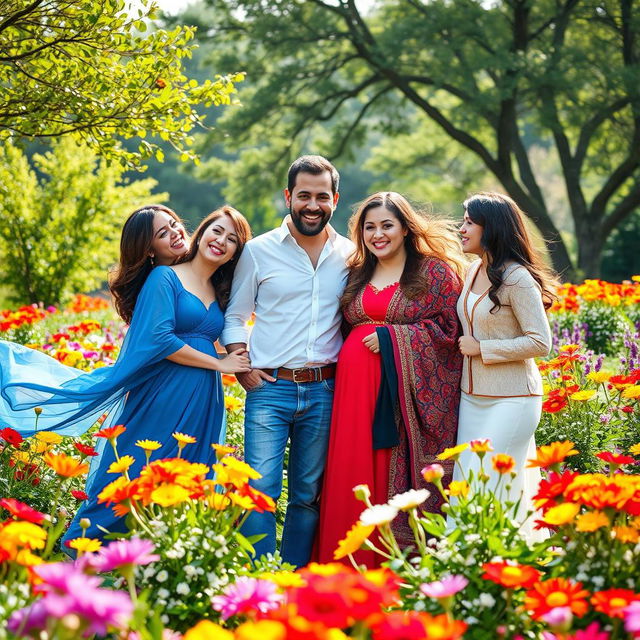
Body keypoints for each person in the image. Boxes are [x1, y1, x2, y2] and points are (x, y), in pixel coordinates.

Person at [0, 205, 252, 541]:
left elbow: (216, 332)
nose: (176, 232)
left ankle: (156, 559)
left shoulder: (219, 285)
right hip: (164, 392)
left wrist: (233, 356)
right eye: (163, 233)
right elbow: (160, 339)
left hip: (205, 397)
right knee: (135, 468)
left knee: (188, 476)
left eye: (175, 224)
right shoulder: (164, 277)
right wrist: (220, 363)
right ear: (150, 249)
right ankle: (80, 550)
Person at [316, 192, 466, 567]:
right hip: (352, 392)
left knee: (384, 474)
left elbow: (450, 331)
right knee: (350, 473)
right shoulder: (357, 272)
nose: (377, 234)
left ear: (405, 228)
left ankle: (389, 569)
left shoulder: (432, 273)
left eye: (387, 225)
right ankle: (343, 569)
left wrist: (392, 338)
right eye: (369, 227)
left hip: (400, 397)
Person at [221, 155, 354, 568]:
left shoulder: (351, 255)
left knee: (308, 492)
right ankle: (257, 576)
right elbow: (235, 315)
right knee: (259, 487)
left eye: (321, 196)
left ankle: (293, 574)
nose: (312, 205)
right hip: (270, 389)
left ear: (335, 198)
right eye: (303, 196)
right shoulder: (258, 251)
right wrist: (240, 363)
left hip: (326, 389)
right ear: (288, 197)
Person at [454, 192, 556, 537]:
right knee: (467, 484)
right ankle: (472, 569)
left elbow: (541, 342)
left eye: (469, 222)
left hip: (513, 400)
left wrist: (483, 348)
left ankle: (502, 570)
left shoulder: (518, 279)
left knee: (490, 489)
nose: (462, 228)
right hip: (471, 398)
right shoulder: (472, 270)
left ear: (491, 227)